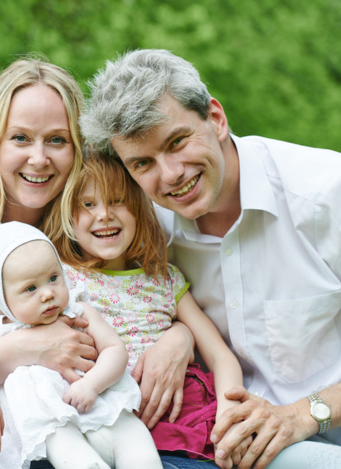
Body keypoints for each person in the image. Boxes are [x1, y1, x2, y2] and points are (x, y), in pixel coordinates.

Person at [0, 57, 195, 469]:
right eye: (20, 138)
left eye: (56, 140)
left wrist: (179, 336)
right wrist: (24, 349)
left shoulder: (93, 224)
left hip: (107, 429)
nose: (39, 159)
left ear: (77, 147)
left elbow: (149, 291)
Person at [80, 48, 341, 469]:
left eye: (177, 142)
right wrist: (180, 334)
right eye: (143, 163)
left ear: (216, 118)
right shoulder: (144, 229)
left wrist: (301, 415)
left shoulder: (329, 193)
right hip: (213, 448)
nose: (170, 174)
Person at [53, 151, 247, 466]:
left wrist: (228, 418)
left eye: (117, 201)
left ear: (140, 209)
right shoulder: (61, 277)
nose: (103, 215)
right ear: (67, 215)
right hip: (97, 420)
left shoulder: (164, 279)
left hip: (177, 423)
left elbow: (222, 357)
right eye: (88, 204)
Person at [0, 221, 159, 469]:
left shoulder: (78, 312)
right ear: (2, 298)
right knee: (77, 460)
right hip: (55, 426)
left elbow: (115, 349)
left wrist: (92, 384)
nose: (47, 293)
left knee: (140, 451)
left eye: (53, 278)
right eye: (30, 288)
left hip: (106, 406)